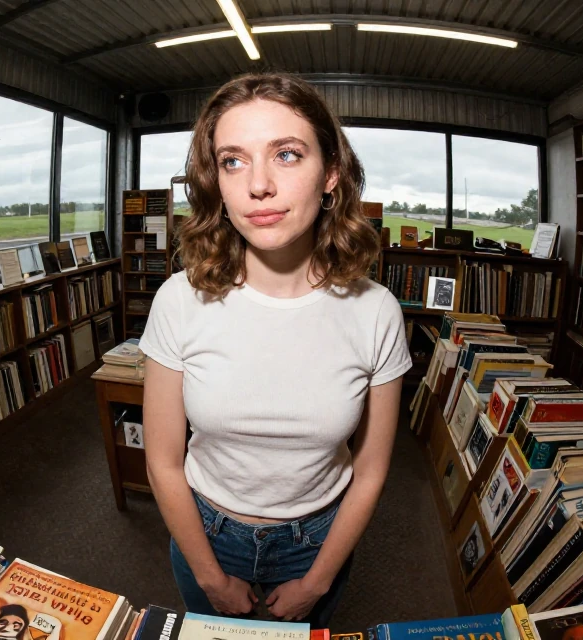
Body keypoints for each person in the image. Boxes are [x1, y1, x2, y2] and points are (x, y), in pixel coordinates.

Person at [140, 72, 411, 627]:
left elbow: (372, 470)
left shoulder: (377, 310)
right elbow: (163, 461)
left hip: (319, 543)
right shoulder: (178, 299)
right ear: (216, 181)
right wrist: (211, 577)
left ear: (330, 174)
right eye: (233, 161)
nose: (257, 185)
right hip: (205, 536)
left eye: (286, 155)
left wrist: (317, 582)